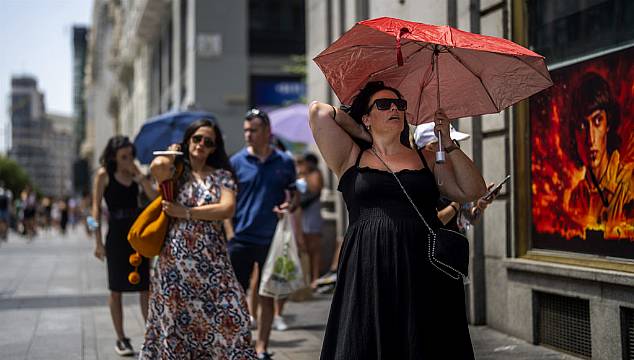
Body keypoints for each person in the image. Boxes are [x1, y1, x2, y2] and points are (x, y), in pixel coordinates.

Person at [309, 81, 487, 359]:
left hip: (422, 267)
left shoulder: (427, 157)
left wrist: (449, 145)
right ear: (366, 117)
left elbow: (473, 190)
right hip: (368, 267)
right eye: (383, 105)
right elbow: (319, 111)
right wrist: (366, 136)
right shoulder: (351, 157)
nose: (394, 108)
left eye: (400, 105)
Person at [141, 119, 256, 359]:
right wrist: (172, 155)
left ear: (214, 148)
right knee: (176, 326)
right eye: (197, 139)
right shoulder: (176, 173)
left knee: (234, 315)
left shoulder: (222, 175)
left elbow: (227, 208)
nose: (202, 144)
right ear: (188, 141)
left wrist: (187, 213)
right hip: (175, 264)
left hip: (213, 261)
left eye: (208, 141)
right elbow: (156, 168)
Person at [227, 108, 298, 359]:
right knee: (236, 297)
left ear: (268, 132)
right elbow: (227, 200)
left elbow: (294, 193)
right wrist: (230, 233)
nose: (248, 134)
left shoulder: (285, 162)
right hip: (241, 239)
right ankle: (240, 346)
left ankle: (262, 348)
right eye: (246, 130)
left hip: (272, 239)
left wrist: (290, 204)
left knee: (267, 293)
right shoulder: (235, 163)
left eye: (253, 130)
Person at [91, 135, 158, 356]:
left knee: (145, 287)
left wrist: (140, 177)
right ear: (114, 157)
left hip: (137, 234)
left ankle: (151, 336)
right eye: (124, 157)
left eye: (131, 155)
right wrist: (98, 242)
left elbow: (154, 197)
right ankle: (121, 338)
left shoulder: (137, 174)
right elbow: (94, 211)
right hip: (116, 235)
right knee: (116, 289)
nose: (129, 160)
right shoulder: (104, 175)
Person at [565, 72, 633, 239]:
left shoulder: (628, 184)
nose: (590, 138)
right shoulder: (577, 195)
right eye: (582, 127)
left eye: (597, 121)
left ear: (608, 124)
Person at [414, 123, 498, 231]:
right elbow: (430, 224)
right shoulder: (417, 181)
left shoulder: (448, 177)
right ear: (430, 147)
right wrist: (458, 202)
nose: (455, 148)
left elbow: (467, 220)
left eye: (455, 143)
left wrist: (480, 207)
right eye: (448, 144)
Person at [297, 153, 324, 289]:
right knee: (304, 247)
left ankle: (315, 277)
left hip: (312, 213)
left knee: (314, 248)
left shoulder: (315, 174)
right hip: (301, 214)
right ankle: (306, 278)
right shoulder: (300, 174)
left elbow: (315, 191)